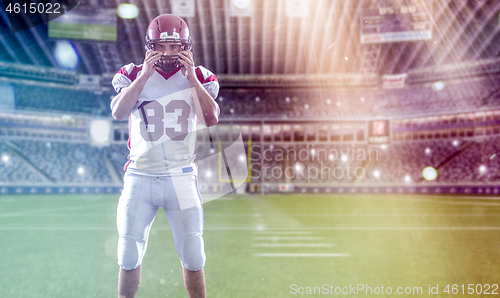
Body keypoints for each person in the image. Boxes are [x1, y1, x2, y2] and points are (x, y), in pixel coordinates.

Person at [110, 14, 220, 298]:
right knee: (128, 253)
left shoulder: (201, 76)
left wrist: (192, 79)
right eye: (161, 46)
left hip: (181, 178)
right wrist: (145, 76)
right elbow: (119, 112)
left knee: (194, 256)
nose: (168, 53)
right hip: (139, 175)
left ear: (186, 47)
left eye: (175, 47)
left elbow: (210, 118)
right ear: (150, 45)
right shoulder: (132, 73)